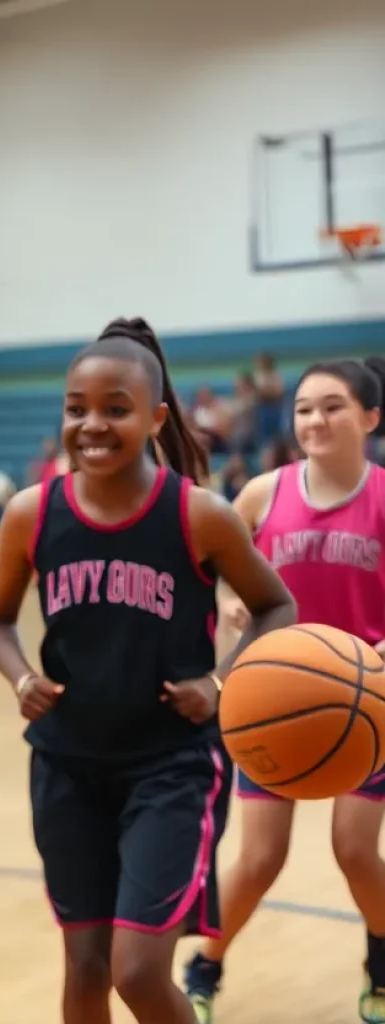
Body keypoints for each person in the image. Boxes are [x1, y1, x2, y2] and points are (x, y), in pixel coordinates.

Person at [0, 317, 297, 1024]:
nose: (92, 424)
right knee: (84, 966)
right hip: (67, 764)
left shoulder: (200, 515)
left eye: (115, 409)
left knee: (138, 971)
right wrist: (20, 676)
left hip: (171, 767)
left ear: (154, 417)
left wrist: (219, 683)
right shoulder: (32, 515)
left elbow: (276, 606)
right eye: (76, 408)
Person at [185, 357, 385, 1024]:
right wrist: (238, 604)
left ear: (369, 417)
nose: (315, 419)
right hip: (273, 701)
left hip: (367, 706)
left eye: (332, 406)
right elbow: (216, 570)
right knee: (261, 857)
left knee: (356, 851)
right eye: (304, 408)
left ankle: (380, 961)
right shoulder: (262, 494)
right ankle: (205, 965)